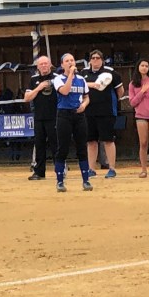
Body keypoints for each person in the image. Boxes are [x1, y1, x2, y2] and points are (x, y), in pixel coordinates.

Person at [52, 52, 91, 192]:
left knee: (82, 147)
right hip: (64, 114)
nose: (70, 63)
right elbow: (65, 91)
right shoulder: (58, 79)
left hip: (78, 114)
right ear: (62, 65)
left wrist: (84, 105)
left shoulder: (81, 79)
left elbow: (86, 97)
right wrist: (70, 75)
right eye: (67, 61)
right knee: (62, 148)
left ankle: (86, 180)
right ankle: (60, 181)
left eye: (72, 60)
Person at [82, 50, 125, 179]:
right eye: (93, 58)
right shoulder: (83, 73)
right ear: (89, 60)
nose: (95, 60)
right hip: (88, 112)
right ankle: (91, 169)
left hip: (106, 112)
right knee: (91, 141)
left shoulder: (111, 72)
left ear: (102, 59)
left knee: (108, 140)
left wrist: (110, 102)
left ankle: (111, 168)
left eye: (98, 58)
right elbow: (78, 87)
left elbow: (120, 91)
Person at [23, 55, 58, 180]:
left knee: (56, 144)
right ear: (38, 66)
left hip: (54, 116)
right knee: (39, 145)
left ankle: (59, 170)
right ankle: (39, 172)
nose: (43, 66)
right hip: (39, 117)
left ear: (50, 65)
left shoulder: (57, 78)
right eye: (41, 64)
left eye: (46, 63)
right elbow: (27, 98)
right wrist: (39, 87)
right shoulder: (33, 79)